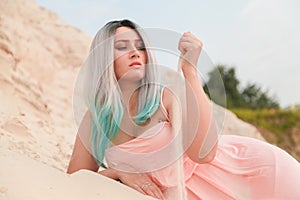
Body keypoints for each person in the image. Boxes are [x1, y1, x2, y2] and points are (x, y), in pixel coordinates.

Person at [67, 19, 300, 200]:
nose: (135, 52)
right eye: (121, 47)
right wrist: (119, 173)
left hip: (254, 173)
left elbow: (204, 154)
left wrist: (190, 69)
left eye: (141, 46)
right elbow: (72, 182)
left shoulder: (164, 98)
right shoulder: (95, 121)